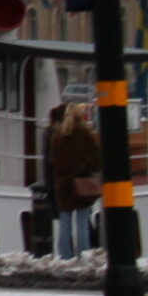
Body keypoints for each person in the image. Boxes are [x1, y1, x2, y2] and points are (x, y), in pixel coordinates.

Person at [49, 102, 103, 260]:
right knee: (82, 224)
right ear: (81, 117)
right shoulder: (85, 134)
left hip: (62, 184)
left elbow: (53, 161)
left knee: (64, 224)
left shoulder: (57, 136)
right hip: (82, 184)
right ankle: (83, 255)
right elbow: (96, 162)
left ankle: (65, 256)